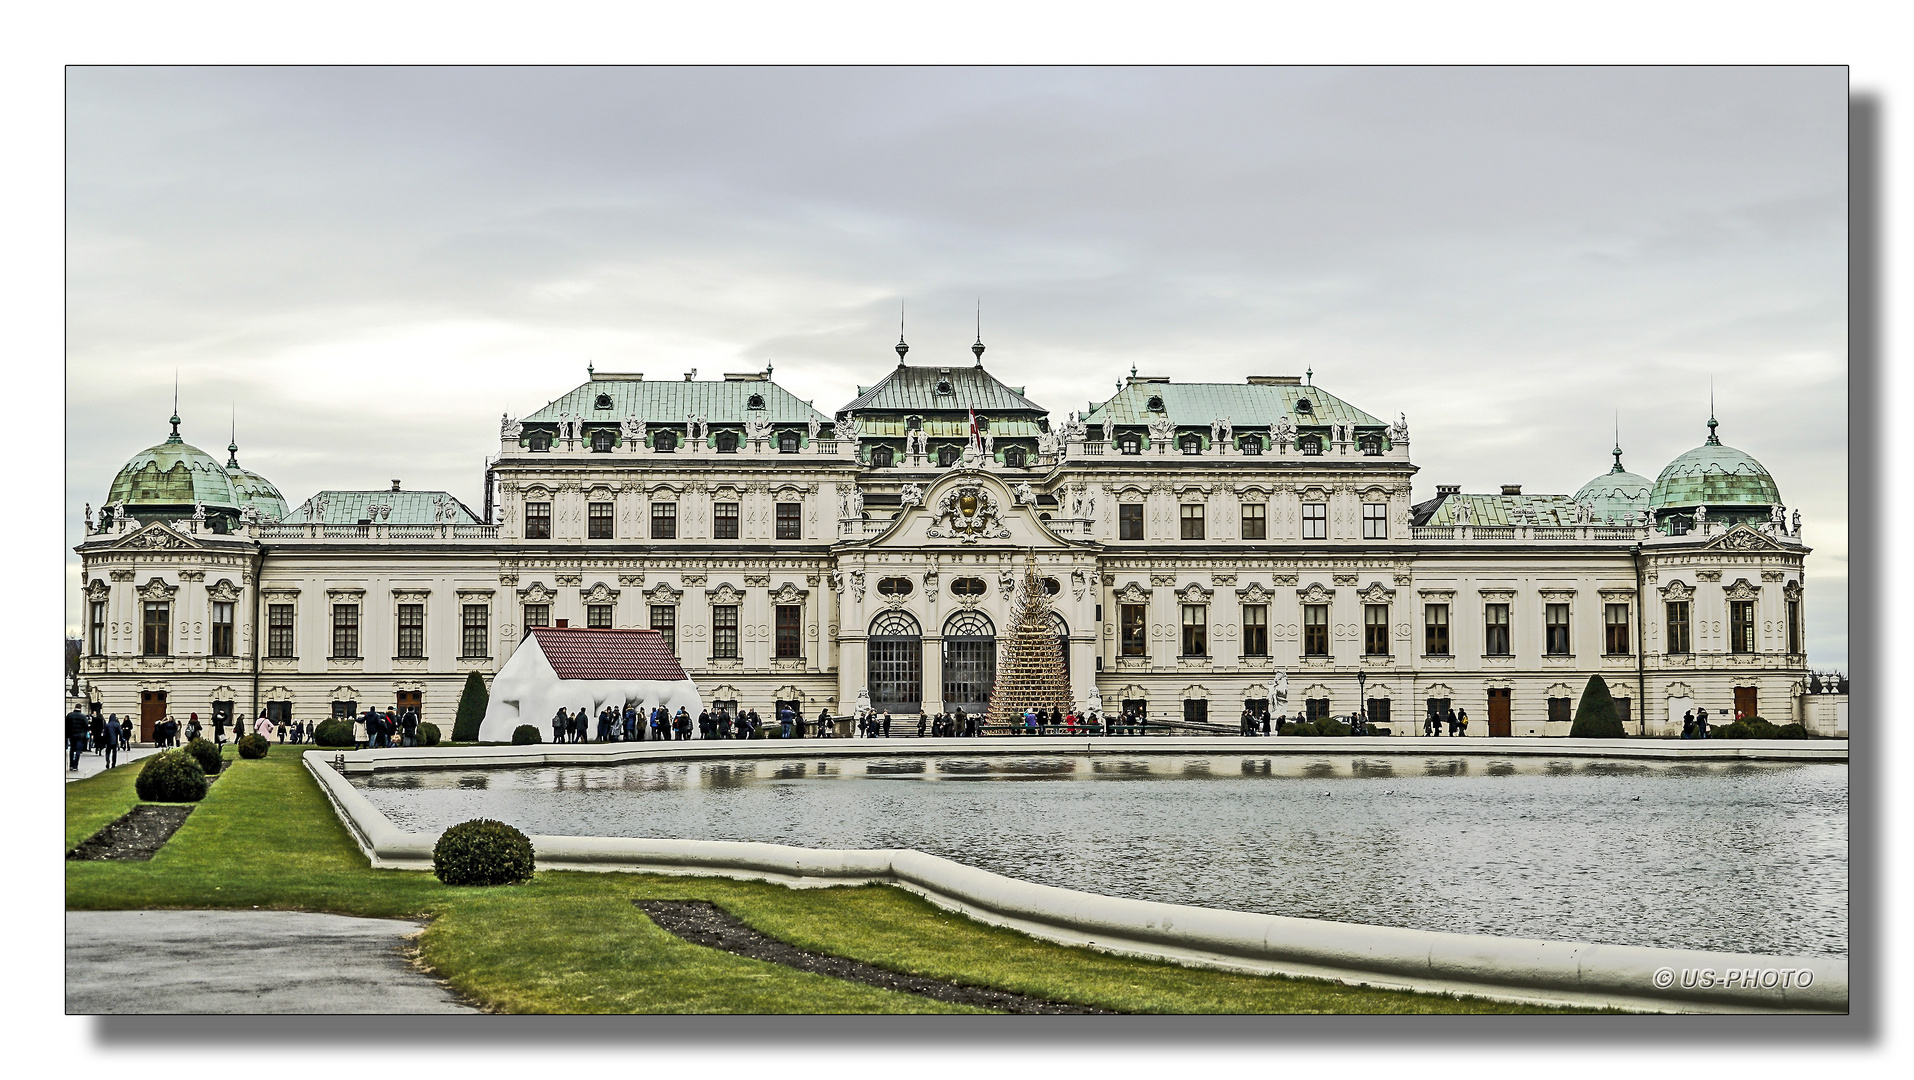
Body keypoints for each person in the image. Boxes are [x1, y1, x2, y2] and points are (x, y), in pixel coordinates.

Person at [67, 707, 90, 771]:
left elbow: (66, 725)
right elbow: (86, 726)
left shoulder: (69, 715)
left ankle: (71, 764)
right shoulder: (83, 716)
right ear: (80, 708)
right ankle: (75, 765)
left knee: (72, 749)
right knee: (78, 750)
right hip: (80, 735)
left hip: (71, 734)